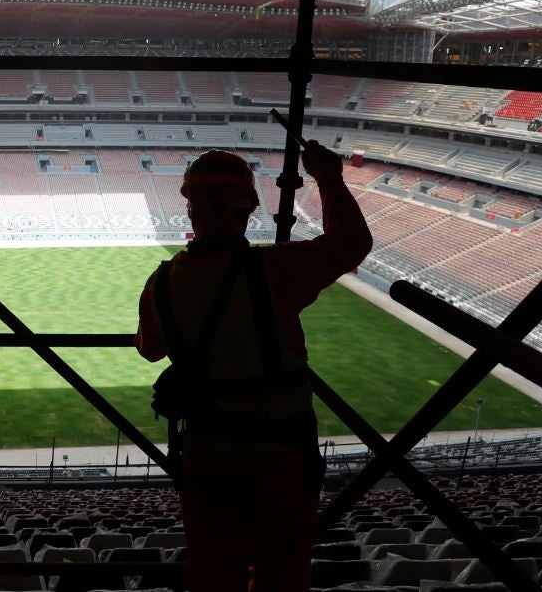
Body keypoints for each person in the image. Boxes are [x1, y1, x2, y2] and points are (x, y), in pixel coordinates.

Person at [136, 144, 372, 592]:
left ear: (190, 211)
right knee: (281, 574)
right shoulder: (276, 268)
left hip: (207, 454)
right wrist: (329, 178)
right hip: (280, 456)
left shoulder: (161, 282)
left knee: (212, 573)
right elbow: (352, 244)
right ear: (249, 210)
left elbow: (149, 349)